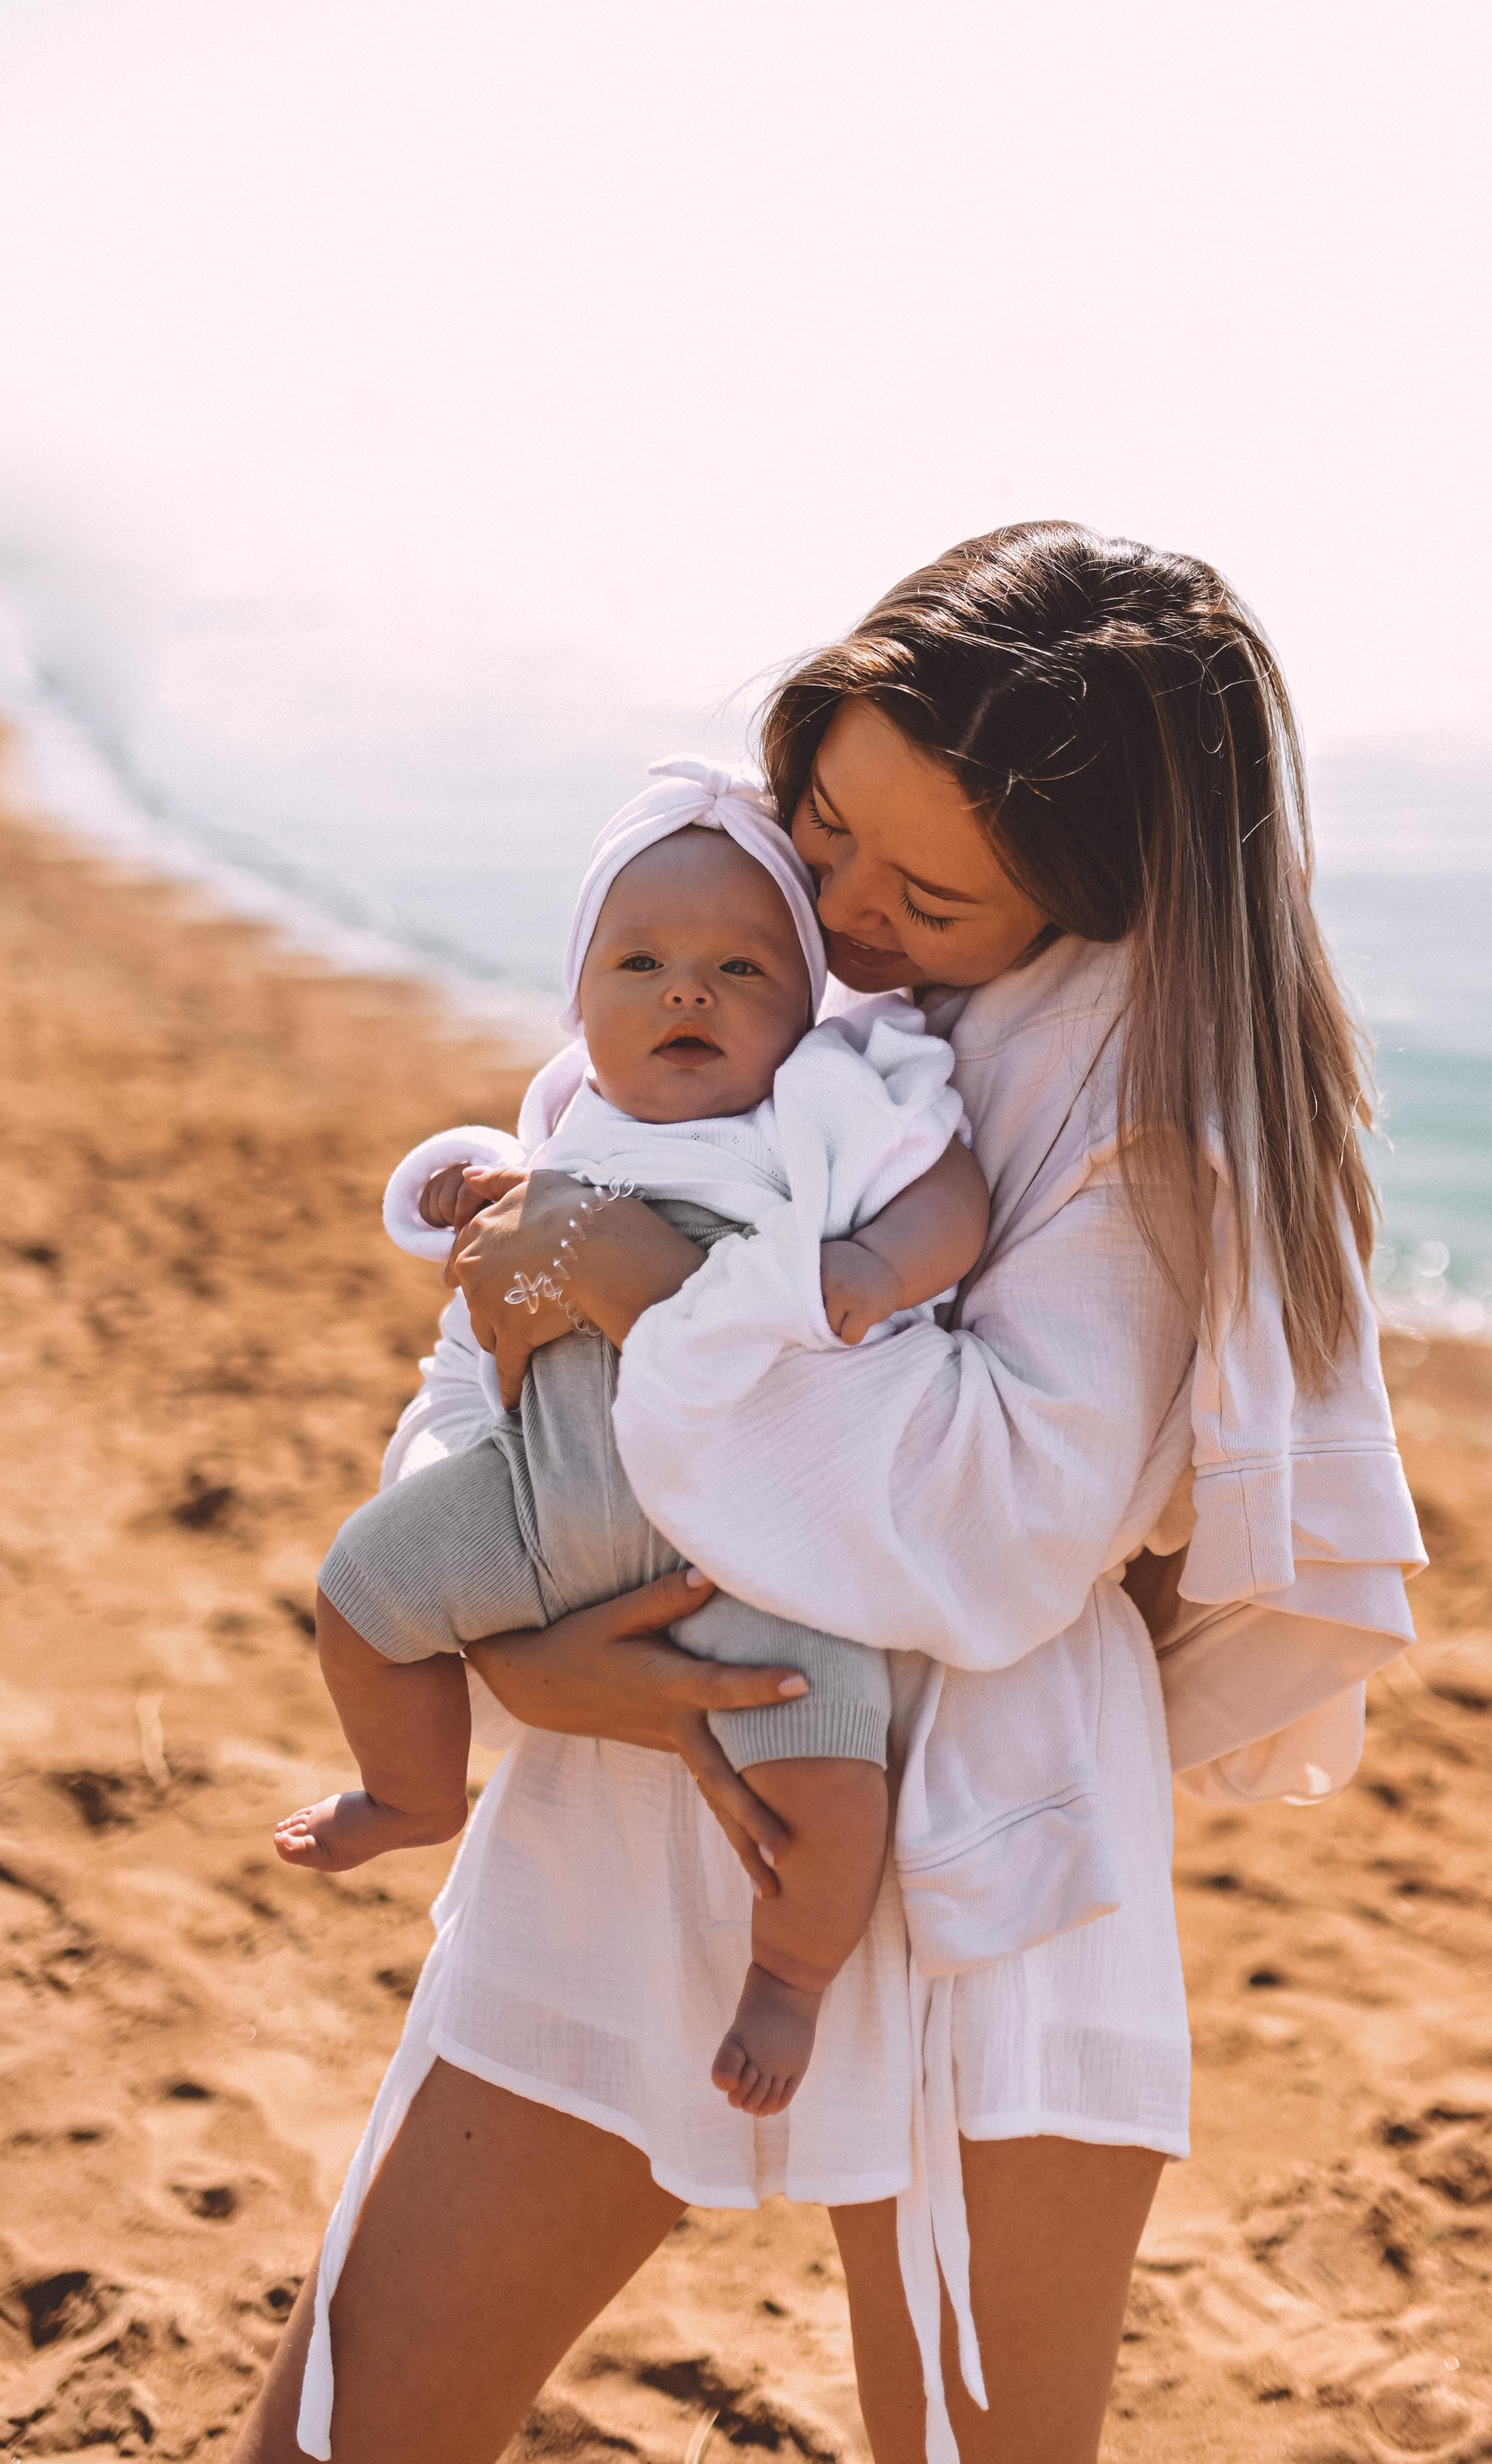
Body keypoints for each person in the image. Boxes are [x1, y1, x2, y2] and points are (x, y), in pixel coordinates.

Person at [234, 524, 1425, 2464]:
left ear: (1101, 897)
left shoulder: (1144, 1117)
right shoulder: (746, 913)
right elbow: (505, 1315)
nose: (839, 904)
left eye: (928, 897)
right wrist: (523, 1639)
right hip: (634, 1769)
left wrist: (671, 1283)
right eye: (826, 819)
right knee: (346, 2433)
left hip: (974, 1848)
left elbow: (1004, 1520)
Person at [273, 764, 988, 2121]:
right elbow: (466, 1243)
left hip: (756, 1547)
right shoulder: (561, 1121)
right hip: (544, 1500)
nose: (686, 992)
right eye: (642, 962)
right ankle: (409, 1789)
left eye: (738, 967)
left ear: (804, 1004)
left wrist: (881, 1267)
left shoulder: (821, 1105)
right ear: (578, 999)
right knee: (358, 1597)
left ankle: (787, 1977)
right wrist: (457, 1195)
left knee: (831, 1781)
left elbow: (944, 1185)